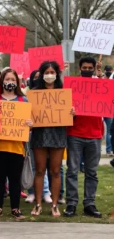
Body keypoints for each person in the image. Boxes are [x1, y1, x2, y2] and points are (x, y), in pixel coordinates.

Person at [30, 61, 75, 217]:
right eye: (46, 72)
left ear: (57, 74)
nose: (49, 75)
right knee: (40, 170)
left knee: (56, 171)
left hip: (58, 134)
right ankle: (38, 204)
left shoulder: (63, 93)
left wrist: (71, 112)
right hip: (39, 135)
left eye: (52, 72)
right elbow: (29, 113)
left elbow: (68, 113)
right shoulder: (34, 93)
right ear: (42, 74)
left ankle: (55, 205)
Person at [0, 68, 33, 220]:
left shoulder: (23, 101)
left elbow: (29, 123)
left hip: (17, 147)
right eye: (7, 79)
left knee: (15, 179)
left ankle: (15, 208)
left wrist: (30, 123)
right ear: (2, 81)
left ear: (18, 83)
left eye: (13, 80)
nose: (10, 82)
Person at [65, 57, 103, 218]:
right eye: (84, 67)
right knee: (72, 171)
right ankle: (71, 203)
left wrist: (101, 79)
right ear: (79, 69)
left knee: (91, 172)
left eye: (90, 67)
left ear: (94, 69)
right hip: (75, 134)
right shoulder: (73, 87)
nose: (87, 69)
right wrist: (70, 112)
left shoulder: (102, 87)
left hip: (95, 134)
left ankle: (90, 203)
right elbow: (64, 109)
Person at [24, 70, 52, 204]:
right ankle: (32, 192)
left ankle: (46, 192)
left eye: (38, 77)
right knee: (33, 165)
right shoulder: (28, 95)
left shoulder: (51, 93)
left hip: (48, 133)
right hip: (32, 133)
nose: (36, 79)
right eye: (34, 77)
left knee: (43, 166)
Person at [103, 65, 113, 156]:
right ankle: (109, 149)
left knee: (109, 131)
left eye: (110, 70)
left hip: (108, 108)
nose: (109, 71)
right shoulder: (102, 80)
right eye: (108, 70)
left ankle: (109, 149)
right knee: (108, 131)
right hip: (103, 108)